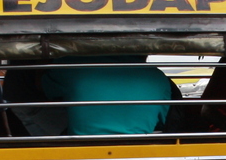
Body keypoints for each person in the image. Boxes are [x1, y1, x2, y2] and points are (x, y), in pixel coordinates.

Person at [41, 56, 171, 135]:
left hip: (81, 149)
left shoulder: (67, 65)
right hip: (138, 150)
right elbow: (161, 121)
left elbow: (44, 92)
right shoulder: (158, 76)